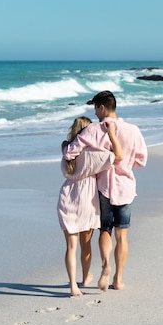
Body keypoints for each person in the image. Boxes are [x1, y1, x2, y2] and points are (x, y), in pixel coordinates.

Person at [64, 91, 147, 291]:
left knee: (105, 231)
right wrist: (125, 165)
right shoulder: (133, 130)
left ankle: (105, 265)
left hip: (103, 188)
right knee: (122, 234)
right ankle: (118, 279)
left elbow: (70, 152)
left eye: (95, 109)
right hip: (126, 187)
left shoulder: (93, 129)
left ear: (101, 108)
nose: (95, 113)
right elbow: (141, 161)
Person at [57, 116, 123, 297]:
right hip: (87, 200)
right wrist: (110, 134)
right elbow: (117, 156)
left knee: (71, 246)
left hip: (67, 197)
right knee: (86, 246)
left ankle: (73, 286)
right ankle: (85, 278)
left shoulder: (65, 149)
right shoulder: (93, 155)